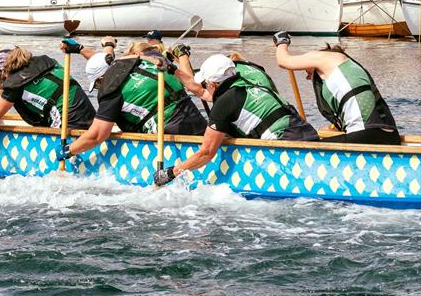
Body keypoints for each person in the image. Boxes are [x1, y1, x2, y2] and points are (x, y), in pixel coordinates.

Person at [153, 53, 318, 187]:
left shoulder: (225, 103)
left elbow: (206, 153)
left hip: (288, 145)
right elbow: (201, 92)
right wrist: (171, 69)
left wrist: (171, 172)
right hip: (309, 135)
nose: (204, 86)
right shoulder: (250, 83)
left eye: (205, 83)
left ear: (213, 84)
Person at [63, 41, 207, 163]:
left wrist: (69, 150)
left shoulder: (111, 90)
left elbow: (96, 136)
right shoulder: (143, 62)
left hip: (171, 134)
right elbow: (105, 60)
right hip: (198, 121)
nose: (99, 88)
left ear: (101, 80)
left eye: (97, 85)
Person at [273, 32, 399, 145]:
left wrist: (281, 41)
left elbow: (284, 61)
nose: (308, 77)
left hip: (366, 134)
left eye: (307, 71)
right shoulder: (347, 64)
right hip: (391, 136)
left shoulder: (322, 57)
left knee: (303, 149)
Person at [0, 40, 95, 132]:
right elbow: (5, 53)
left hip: (70, 126)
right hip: (92, 120)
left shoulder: (15, 85)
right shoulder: (46, 62)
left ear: (6, 71)